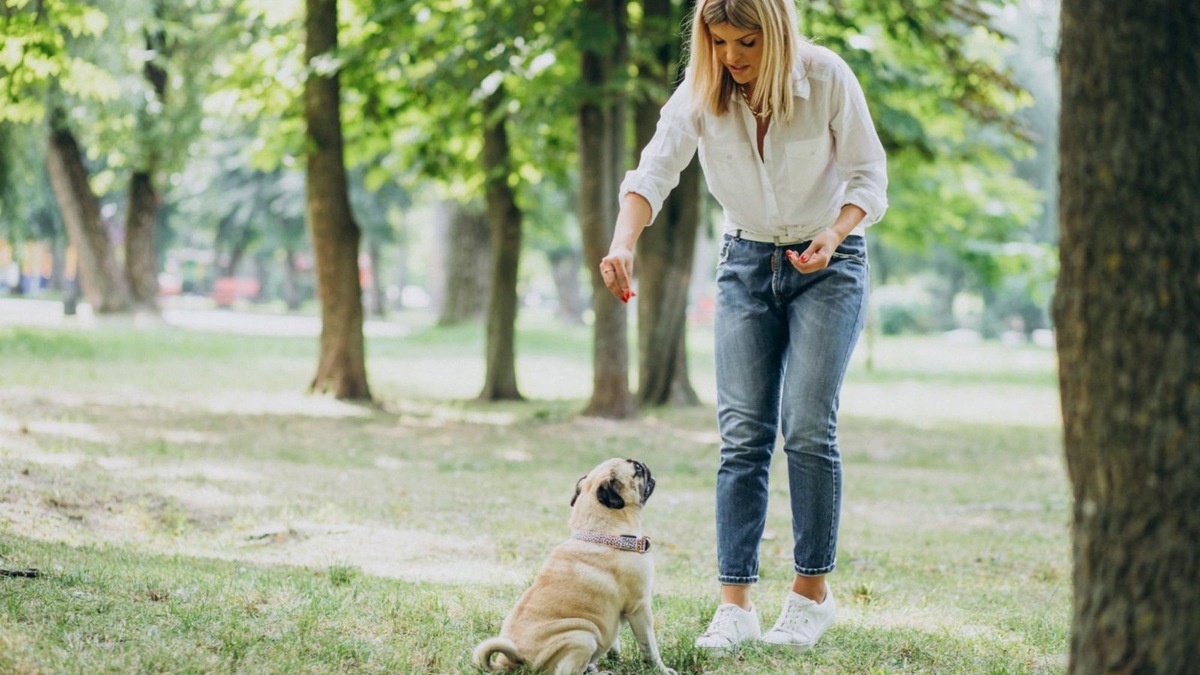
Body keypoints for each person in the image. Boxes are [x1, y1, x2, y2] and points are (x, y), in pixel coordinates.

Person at [598, 0, 888, 655]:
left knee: (807, 425)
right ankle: (736, 607)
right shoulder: (701, 90)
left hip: (831, 263)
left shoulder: (827, 77)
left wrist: (834, 232)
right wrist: (623, 243)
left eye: (747, 41)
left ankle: (810, 596)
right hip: (746, 262)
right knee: (742, 437)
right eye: (720, 40)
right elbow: (654, 169)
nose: (731, 56)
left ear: (776, 33)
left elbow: (869, 177)